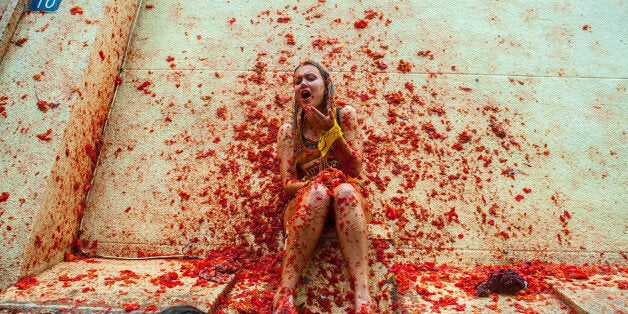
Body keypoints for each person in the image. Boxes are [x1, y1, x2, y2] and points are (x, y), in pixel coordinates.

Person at [273, 61, 371, 313]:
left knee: (346, 191)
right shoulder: (289, 132)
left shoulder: (344, 115)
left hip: (345, 201)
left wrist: (331, 134)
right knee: (317, 192)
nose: (303, 84)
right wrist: (314, 182)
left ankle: (362, 298)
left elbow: (356, 171)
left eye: (310, 78)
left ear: (326, 86)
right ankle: (284, 294)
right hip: (308, 202)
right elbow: (287, 184)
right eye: (297, 81)